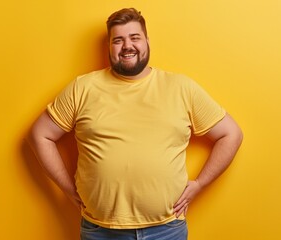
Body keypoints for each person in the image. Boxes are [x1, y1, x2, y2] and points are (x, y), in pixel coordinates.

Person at [27, 7, 243, 240]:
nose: (127, 45)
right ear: (109, 47)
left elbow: (231, 134)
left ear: (147, 41)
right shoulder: (83, 88)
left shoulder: (181, 88)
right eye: (118, 40)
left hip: (166, 229)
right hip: (100, 231)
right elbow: (39, 135)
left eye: (134, 37)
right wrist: (68, 189)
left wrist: (199, 184)